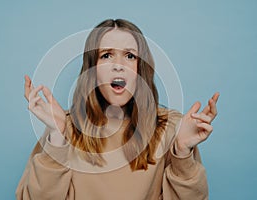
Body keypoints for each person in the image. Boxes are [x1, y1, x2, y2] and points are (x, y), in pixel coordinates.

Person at [16, 19, 219, 200]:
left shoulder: (171, 128)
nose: (118, 65)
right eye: (106, 55)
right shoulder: (63, 127)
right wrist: (57, 137)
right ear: (92, 70)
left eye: (130, 56)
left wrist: (182, 152)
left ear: (141, 68)